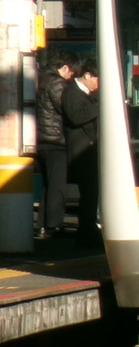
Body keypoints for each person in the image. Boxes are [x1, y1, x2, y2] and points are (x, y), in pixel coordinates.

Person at [34, 50, 80, 241]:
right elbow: (66, 108)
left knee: (48, 186)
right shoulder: (57, 83)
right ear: (65, 68)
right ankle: (53, 225)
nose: (71, 78)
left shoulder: (41, 79)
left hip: (42, 140)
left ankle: (43, 225)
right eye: (72, 74)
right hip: (56, 141)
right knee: (57, 187)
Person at [63, 58, 100, 247]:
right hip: (80, 152)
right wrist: (99, 106)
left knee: (91, 195)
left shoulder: (85, 94)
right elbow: (77, 117)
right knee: (88, 194)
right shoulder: (72, 93)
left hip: (88, 151)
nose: (98, 85)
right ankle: (86, 233)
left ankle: (89, 230)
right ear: (87, 75)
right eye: (96, 79)